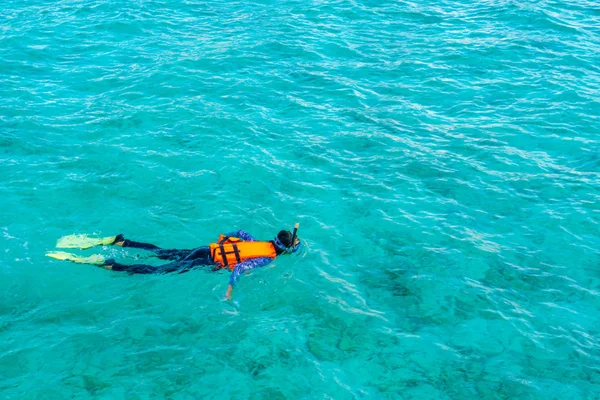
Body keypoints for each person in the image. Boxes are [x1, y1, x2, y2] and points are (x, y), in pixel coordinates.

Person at [46, 225, 301, 300]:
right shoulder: (266, 258)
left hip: (205, 249)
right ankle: (109, 264)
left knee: (162, 252)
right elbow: (241, 266)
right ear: (285, 248)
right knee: (157, 271)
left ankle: (121, 241)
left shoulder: (261, 243)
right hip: (204, 261)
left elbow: (242, 233)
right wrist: (230, 288)